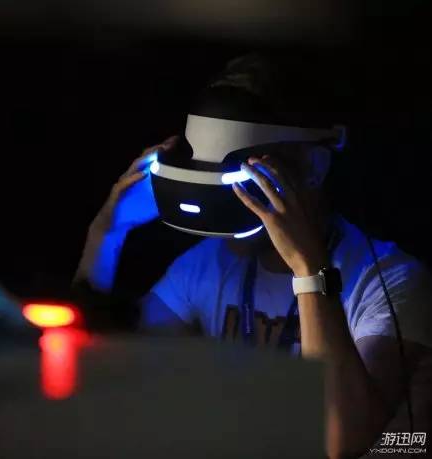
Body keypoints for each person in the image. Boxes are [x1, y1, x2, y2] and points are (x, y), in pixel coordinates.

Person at [74, 55, 432, 458]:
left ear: (311, 167)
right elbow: (93, 377)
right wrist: (106, 233)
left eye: (237, 178)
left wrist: (309, 269)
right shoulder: (209, 265)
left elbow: (340, 440)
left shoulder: (391, 281)